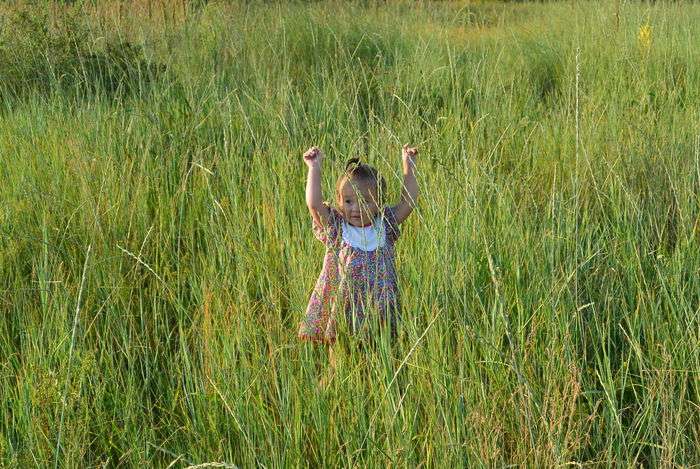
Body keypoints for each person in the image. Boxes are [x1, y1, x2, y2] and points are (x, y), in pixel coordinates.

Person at [298, 143, 419, 386]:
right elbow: (314, 205)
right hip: (345, 308)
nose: (356, 208)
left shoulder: (385, 225)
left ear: (380, 203)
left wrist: (409, 165)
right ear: (340, 200)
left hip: (379, 306)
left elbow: (409, 202)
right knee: (339, 359)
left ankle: (377, 389)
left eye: (365, 201)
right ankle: (330, 393)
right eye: (349, 201)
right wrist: (314, 168)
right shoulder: (337, 228)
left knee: (380, 356)